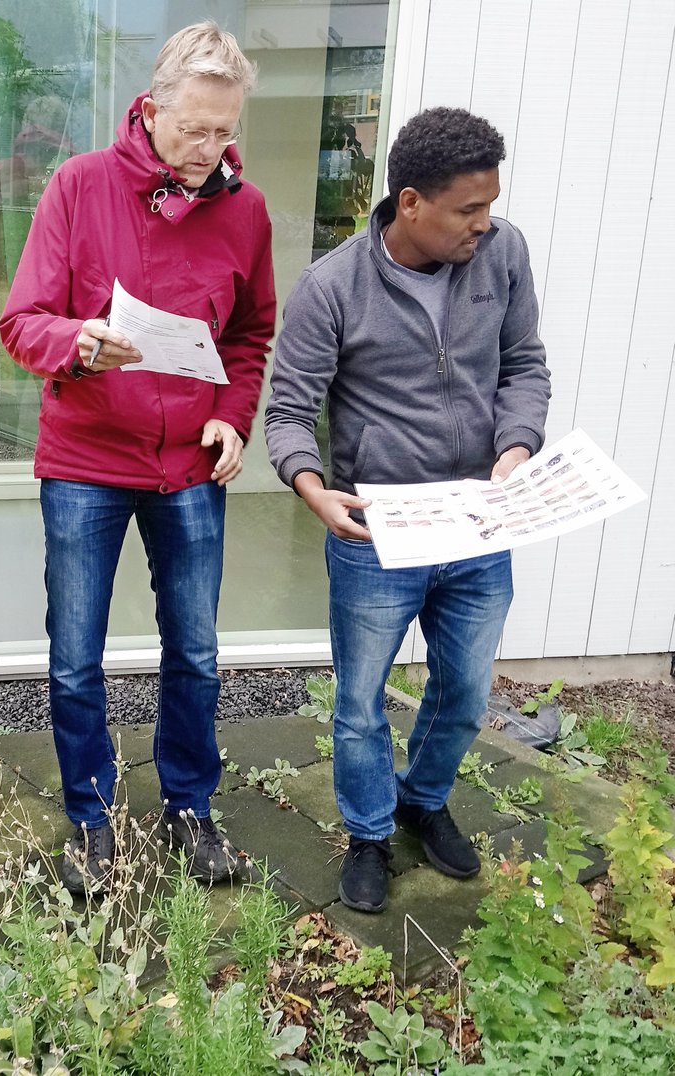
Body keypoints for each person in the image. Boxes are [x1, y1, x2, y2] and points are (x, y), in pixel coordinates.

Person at [0, 22, 276, 893]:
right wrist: (79, 343)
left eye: (223, 131)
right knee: (76, 656)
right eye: (192, 128)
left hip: (189, 464)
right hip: (86, 459)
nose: (207, 149)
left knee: (194, 651)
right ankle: (90, 819)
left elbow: (250, 334)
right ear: (151, 111)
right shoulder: (79, 185)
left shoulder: (246, 210)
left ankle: (190, 807)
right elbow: (21, 322)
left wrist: (232, 417)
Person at [265, 107, 551, 914]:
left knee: (463, 691)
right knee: (361, 703)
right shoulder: (333, 287)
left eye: (491, 205)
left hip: (480, 524)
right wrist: (312, 487)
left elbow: (524, 365)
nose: (484, 224)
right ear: (413, 202)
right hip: (377, 533)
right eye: (469, 209)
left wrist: (516, 447)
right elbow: (288, 412)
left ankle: (422, 801)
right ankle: (368, 832)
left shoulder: (504, 255)